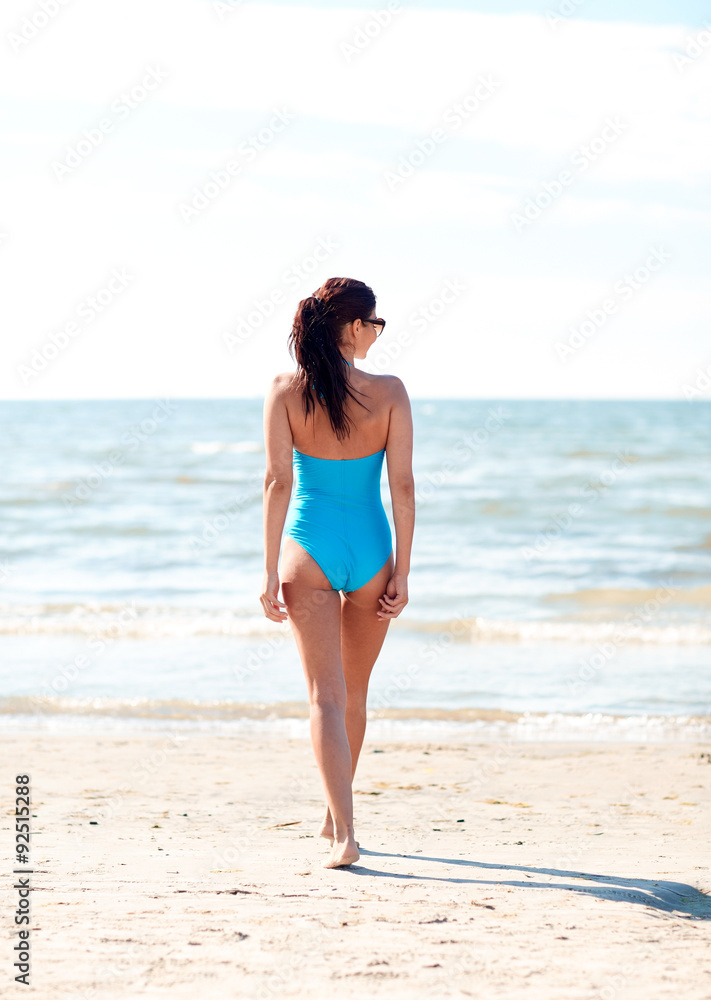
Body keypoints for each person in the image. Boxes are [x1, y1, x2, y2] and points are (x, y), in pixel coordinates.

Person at [260, 276, 415, 868]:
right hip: (373, 548)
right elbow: (402, 487)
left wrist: (270, 569)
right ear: (351, 326)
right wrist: (403, 568)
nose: (377, 332)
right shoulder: (391, 391)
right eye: (374, 322)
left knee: (325, 697)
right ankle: (340, 820)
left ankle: (341, 829)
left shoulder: (284, 390)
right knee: (353, 694)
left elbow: (278, 483)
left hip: (310, 547)